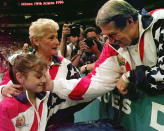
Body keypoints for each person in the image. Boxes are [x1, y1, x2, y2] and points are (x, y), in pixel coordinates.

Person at [0, 18, 90, 130]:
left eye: (56, 37)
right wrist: (3, 89)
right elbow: (4, 85)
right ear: (36, 41)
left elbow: (82, 92)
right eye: (51, 38)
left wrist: (63, 113)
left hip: (61, 126)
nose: (57, 42)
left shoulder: (65, 65)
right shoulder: (21, 63)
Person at [95, 0, 164, 95]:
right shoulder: (113, 44)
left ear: (130, 21)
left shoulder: (161, 21)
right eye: (106, 36)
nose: (110, 41)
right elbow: (98, 77)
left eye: (112, 34)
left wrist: (129, 76)